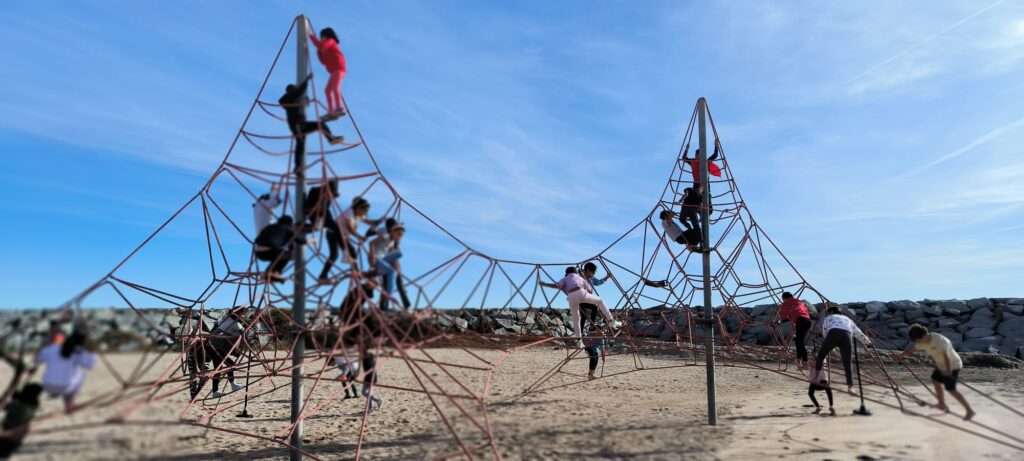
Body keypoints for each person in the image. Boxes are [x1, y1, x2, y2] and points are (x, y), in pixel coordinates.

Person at [900, 324, 975, 420]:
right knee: (935, 379)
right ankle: (941, 403)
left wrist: (948, 371)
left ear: (924, 335)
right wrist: (901, 355)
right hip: (941, 365)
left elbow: (947, 357)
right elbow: (913, 349)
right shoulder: (923, 340)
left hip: (953, 365)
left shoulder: (939, 341)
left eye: (918, 340)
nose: (918, 342)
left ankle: (969, 411)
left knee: (951, 389)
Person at [540, 267, 622, 348]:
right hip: (580, 293)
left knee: (576, 319)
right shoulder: (579, 277)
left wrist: (545, 284)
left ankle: (579, 342)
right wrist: (587, 294)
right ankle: (611, 321)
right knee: (600, 300)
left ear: (567, 273)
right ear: (575, 272)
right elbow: (589, 289)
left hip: (571, 297)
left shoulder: (565, 279)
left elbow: (557, 285)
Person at [811, 305, 871, 393]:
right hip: (847, 335)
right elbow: (857, 332)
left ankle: (815, 378)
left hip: (833, 333)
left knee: (821, 355)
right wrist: (867, 342)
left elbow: (825, 331)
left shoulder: (829, 318)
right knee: (847, 362)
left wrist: (828, 342)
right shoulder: (847, 319)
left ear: (831, 312)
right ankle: (850, 387)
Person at [34, 330, 96, 413]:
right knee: (81, 373)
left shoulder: (51, 348)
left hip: (48, 386)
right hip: (65, 387)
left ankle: (62, 398)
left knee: (66, 376)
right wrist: (91, 351)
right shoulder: (77, 352)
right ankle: (69, 404)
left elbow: (36, 360)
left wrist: (43, 345)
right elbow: (90, 365)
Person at [278, 75, 345, 146]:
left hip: (301, 124)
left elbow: (297, 96)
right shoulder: (288, 97)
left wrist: (305, 100)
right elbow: (298, 92)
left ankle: (331, 139)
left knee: (320, 125)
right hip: (297, 125)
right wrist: (306, 80)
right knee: (300, 143)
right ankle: (331, 139)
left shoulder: (291, 99)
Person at [304, 180, 343, 284]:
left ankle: (323, 276)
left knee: (335, 254)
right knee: (334, 228)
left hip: (324, 219)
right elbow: (307, 208)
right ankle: (347, 251)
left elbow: (326, 212)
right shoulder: (315, 191)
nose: (332, 197)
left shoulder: (328, 198)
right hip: (315, 216)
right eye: (332, 194)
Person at [308, 26, 347, 118]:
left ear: (325, 36)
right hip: (334, 71)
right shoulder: (326, 49)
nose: (321, 39)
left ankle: (339, 107)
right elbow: (323, 61)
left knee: (335, 88)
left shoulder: (331, 41)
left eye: (321, 37)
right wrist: (319, 51)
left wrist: (310, 35)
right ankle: (331, 111)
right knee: (327, 90)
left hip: (339, 69)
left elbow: (321, 45)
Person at [208, 307, 246, 398]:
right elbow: (244, 332)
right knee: (224, 366)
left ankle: (224, 388)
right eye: (242, 314)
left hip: (212, 346)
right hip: (215, 347)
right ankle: (221, 389)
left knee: (222, 366)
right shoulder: (235, 324)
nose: (243, 316)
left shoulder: (226, 319)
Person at [368, 221, 406, 311]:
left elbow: (390, 253)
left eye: (401, 236)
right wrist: (372, 256)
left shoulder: (392, 241)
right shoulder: (386, 236)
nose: (399, 237)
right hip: (376, 257)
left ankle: (382, 269)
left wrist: (395, 265)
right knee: (392, 272)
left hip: (383, 258)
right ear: (393, 232)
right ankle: (390, 295)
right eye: (398, 235)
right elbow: (371, 243)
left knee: (399, 253)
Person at [336, 196, 383, 267]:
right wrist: (359, 237)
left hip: (343, 235)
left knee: (349, 251)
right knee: (350, 250)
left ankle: (354, 268)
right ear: (358, 208)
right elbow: (350, 228)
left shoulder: (359, 215)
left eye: (366, 212)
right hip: (336, 233)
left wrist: (379, 221)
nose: (365, 213)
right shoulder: (349, 213)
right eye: (364, 211)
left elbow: (370, 222)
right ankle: (355, 269)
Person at [255, 215, 303, 283]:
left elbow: (257, 239)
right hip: (269, 250)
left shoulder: (270, 227)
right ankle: (273, 273)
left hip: (258, 252)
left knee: (278, 257)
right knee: (287, 255)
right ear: (290, 223)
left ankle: (270, 274)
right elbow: (300, 241)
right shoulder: (287, 228)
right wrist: (312, 240)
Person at [0, 383, 42, 458]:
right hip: (13, 438)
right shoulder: (31, 404)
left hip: (10, 438)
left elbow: (4, 406)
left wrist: (13, 396)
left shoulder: (23, 406)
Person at [777, 292, 812, 369]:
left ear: (784, 299)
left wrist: (782, 312)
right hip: (807, 321)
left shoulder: (785, 304)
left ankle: (805, 363)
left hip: (800, 321)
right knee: (798, 341)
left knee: (800, 342)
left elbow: (783, 318)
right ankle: (799, 360)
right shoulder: (800, 302)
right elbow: (805, 312)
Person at [579, 304, 605, 380]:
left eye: (600, 331)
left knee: (596, 359)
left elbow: (602, 349)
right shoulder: (592, 334)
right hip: (588, 347)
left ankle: (591, 374)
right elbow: (585, 340)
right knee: (593, 357)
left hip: (595, 350)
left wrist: (603, 357)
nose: (599, 331)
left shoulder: (601, 339)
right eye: (597, 330)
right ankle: (590, 375)